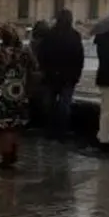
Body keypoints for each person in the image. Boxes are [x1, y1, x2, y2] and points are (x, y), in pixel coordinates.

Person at [0, 27, 37, 168]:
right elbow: (34, 70)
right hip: (20, 93)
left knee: (3, 128)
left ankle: (6, 157)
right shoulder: (25, 52)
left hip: (3, 94)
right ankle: (13, 153)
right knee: (15, 126)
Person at [36, 9, 85, 139]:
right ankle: (61, 132)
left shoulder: (50, 35)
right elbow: (79, 57)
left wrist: (44, 70)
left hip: (51, 76)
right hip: (68, 77)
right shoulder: (75, 35)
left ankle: (49, 130)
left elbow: (42, 55)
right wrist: (76, 75)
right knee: (64, 106)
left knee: (49, 105)